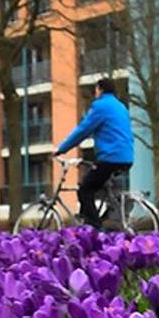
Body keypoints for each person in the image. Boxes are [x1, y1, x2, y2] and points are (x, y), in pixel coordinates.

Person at [55, 78, 135, 227]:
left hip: (111, 157)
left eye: (96, 90)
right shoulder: (121, 106)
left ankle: (95, 229)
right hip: (127, 156)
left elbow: (83, 130)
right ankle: (102, 217)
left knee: (85, 190)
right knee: (98, 184)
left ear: (100, 89)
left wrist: (62, 148)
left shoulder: (100, 106)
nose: (95, 93)